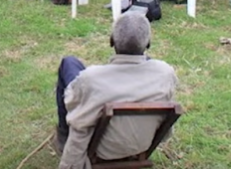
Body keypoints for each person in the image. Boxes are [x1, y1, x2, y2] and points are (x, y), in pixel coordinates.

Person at [55, 12, 177, 167]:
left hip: (104, 149)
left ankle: (63, 136)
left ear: (111, 40)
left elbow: (71, 103)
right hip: (141, 144)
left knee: (69, 63)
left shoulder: (91, 79)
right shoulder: (165, 73)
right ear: (148, 44)